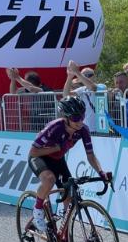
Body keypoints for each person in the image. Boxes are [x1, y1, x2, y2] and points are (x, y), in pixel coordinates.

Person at [28, 96, 109, 232]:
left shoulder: (83, 130)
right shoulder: (55, 127)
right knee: (49, 180)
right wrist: (57, 148)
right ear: (66, 117)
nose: (80, 121)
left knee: (69, 195)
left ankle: (65, 237)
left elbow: (90, 155)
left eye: (82, 116)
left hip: (58, 160)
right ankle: (37, 210)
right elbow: (33, 152)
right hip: (40, 158)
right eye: (75, 118)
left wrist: (101, 172)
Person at [63, 61, 98, 132]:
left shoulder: (101, 86)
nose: (86, 76)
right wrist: (69, 77)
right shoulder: (82, 89)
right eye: (84, 75)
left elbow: (92, 87)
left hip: (98, 129)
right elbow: (66, 95)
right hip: (84, 128)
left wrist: (77, 72)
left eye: (89, 74)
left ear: (94, 76)